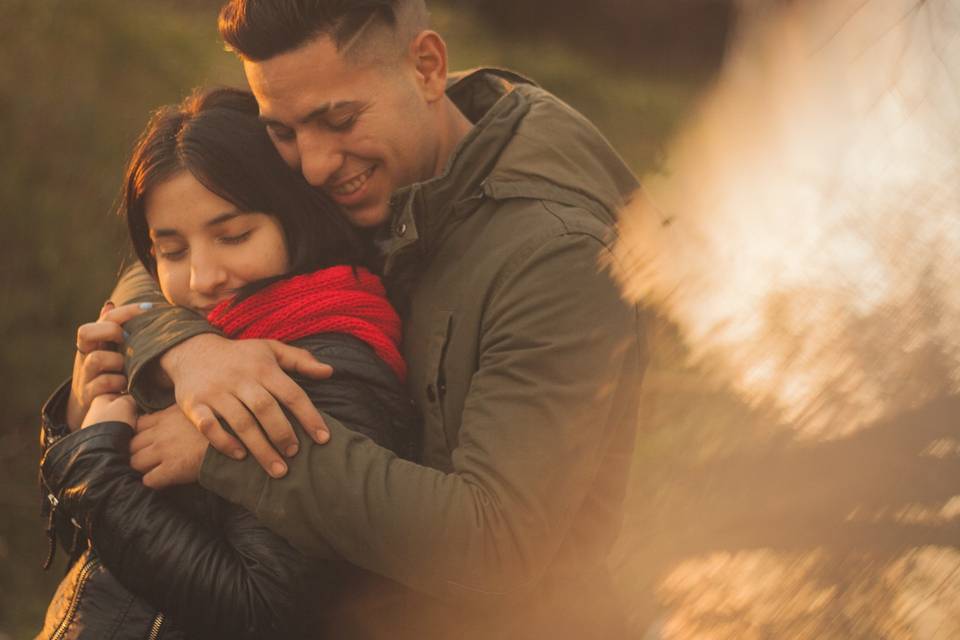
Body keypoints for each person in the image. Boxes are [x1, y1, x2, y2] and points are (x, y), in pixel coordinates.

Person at [112, 0, 647, 636]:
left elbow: (498, 543)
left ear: (427, 68)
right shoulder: (374, 154)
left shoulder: (557, 256)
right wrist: (187, 349)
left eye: (337, 120)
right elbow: (176, 240)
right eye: (281, 132)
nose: (311, 165)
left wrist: (226, 447)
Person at [37, 87, 415, 639]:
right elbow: (94, 551)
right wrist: (80, 413)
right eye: (172, 251)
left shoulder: (325, 368)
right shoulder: (188, 336)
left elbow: (263, 608)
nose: (202, 278)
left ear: (296, 216)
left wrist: (95, 467)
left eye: (233, 236)